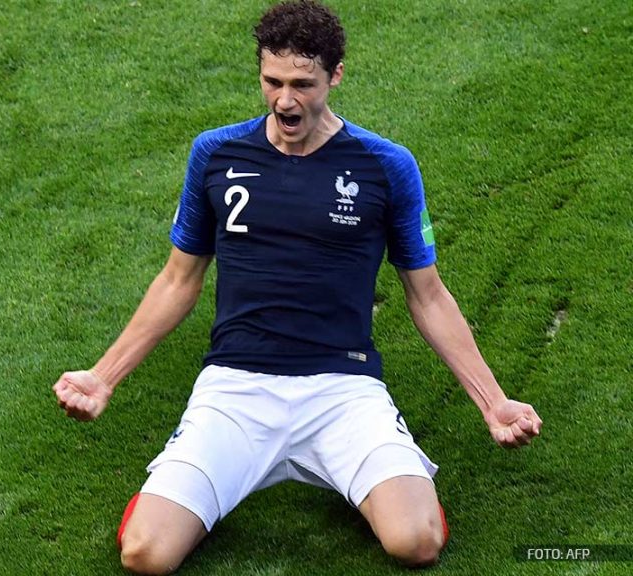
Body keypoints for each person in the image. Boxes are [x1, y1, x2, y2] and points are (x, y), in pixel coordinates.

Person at [53, 1, 542, 573]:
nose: (285, 101)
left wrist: (493, 402)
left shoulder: (386, 166)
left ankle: (384, 485)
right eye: (272, 82)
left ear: (335, 75)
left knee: (417, 542)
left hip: (342, 388)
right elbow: (178, 279)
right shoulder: (215, 154)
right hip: (236, 387)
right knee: (145, 555)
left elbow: (427, 294)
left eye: (303, 84)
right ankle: (183, 494)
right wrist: (103, 375)